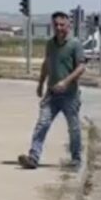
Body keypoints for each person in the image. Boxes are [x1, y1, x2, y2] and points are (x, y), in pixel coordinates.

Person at [17, 11, 85, 170]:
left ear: (68, 25)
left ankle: (76, 159)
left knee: (74, 127)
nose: (59, 28)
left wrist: (66, 82)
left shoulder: (75, 44)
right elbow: (46, 63)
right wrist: (40, 83)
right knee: (42, 123)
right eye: (56, 25)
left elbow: (81, 67)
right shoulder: (50, 44)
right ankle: (33, 157)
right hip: (52, 94)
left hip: (70, 95)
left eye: (62, 25)